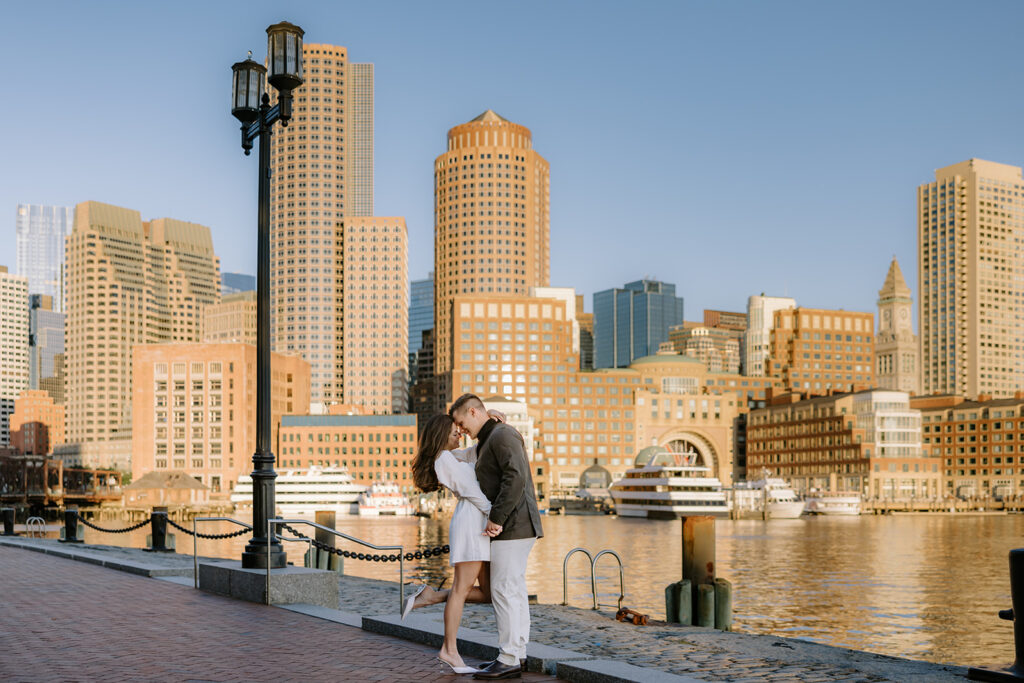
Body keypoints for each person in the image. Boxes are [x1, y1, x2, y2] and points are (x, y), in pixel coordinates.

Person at [450, 393, 543, 681]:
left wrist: (495, 518)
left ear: (475, 413)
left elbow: (515, 477)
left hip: (513, 526)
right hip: (513, 525)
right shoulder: (490, 438)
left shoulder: (502, 435)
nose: (460, 429)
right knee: (512, 590)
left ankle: (508, 658)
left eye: (461, 422)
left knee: (503, 589)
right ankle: (517, 653)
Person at [408, 413, 494, 674]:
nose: (459, 433)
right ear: (439, 434)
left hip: (476, 521)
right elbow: (471, 490)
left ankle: (431, 596)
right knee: (460, 589)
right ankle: (449, 650)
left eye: (459, 429)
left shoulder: (450, 456)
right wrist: (497, 515)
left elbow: (476, 451)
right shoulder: (443, 458)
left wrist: (494, 424)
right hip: (472, 523)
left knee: (488, 593)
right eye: (453, 430)